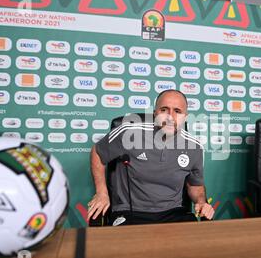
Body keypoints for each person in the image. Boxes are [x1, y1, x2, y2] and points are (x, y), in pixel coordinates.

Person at [87, 89, 215, 225]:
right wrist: (101, 192)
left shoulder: (194, 147)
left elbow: (195, 186)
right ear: (155, 113)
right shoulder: (129, 133)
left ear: (185, 116)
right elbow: (97, 152)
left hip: (173, 212)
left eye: (177, 111)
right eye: (164, 110)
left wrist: (201, 202)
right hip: (130, 212)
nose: (170, 117)